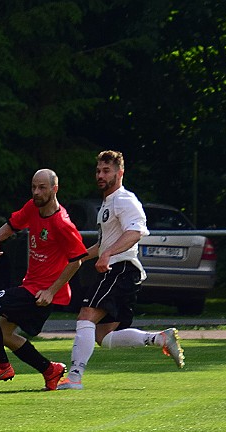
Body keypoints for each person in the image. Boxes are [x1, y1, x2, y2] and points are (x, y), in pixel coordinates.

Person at [57, 150, 184, 390]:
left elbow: (135, 232)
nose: (100, 175)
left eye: (106, 171)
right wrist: (79, 257)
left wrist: (107, 254)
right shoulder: (108, 202)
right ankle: (159, 338)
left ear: (120, 173)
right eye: (98, 171)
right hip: (120, 270)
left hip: (121, 269)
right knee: (104, 337)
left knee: (86, 316)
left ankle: (74, 377)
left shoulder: (124, 199)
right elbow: (103, 243)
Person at [0, 169, 89, 390]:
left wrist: (51, 291)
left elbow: (77, 261)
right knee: (4, 333)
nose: (36, 192)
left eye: (42, 187)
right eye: (33, 187)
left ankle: (1, 366)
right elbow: (13, 225)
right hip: (31, 285)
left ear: (55, 189)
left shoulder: (62, 223)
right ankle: (49, 370)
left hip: (40, 293)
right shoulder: (33, 208)